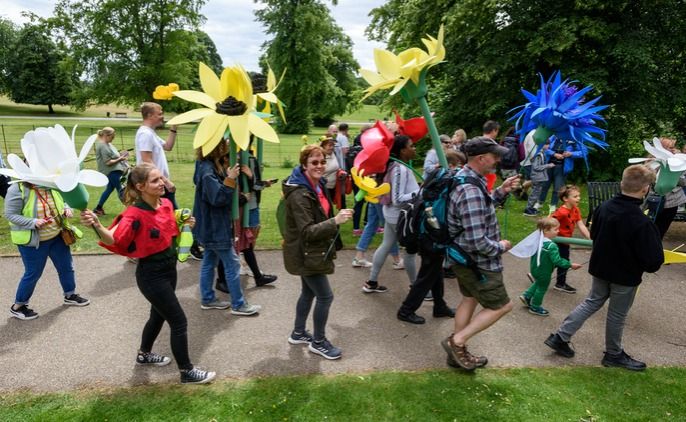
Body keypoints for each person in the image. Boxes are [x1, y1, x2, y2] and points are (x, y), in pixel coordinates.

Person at [80, 163, 215, 384]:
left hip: (170, 270)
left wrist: (185, 222)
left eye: (161, 178)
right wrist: (96, 224)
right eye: (155, 181)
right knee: (179, 321)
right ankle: (187, 372)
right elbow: (113, 238)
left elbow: (166, 230)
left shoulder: (165, 204)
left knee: (157, 316)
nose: (161, 183)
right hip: (151, 276)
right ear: (140, 186)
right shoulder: (134, 214)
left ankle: (144, 354)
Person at [544, 164, 663, 371]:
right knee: (617, 314)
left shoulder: (605, 207)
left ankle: (560, 337)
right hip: (624, 275)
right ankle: (613, 354)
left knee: (592, 301)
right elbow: (653, 261)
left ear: (622, 183)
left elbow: (595, 235)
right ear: (645, 189)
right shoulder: (641, 222)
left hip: (601, 267)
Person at [441, 136, 520, 371]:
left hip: (462, 258)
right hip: (477, 262)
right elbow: (477, 241)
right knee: (501, 306)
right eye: (494, 156)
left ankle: (456, 353)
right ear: (480, 158)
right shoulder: (470, 189)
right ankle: (456, 342)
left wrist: (501, 191)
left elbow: (478, 211)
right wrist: (502, 246)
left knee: (469, 298)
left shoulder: (466, 178)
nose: (497, 160)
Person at [282, 145, 353, 360]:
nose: (320, 166)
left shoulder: (317, 185)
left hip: (312, 251)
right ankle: (319, 342)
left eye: (322, 161)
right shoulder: (300, 195)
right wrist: (335, 221)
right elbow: (307, 232)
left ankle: (298, 332)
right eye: (314, 162)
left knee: (308, 292)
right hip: (306, 252)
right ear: (304, 165)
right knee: (325, 296)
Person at [192, 140, 260, 316]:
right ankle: (238, 304)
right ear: (216, 148)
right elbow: (218, 198)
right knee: (232, 263)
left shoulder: (206, 166)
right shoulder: (207, 171)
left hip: (210, 225)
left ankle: (207, 298)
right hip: (215, 226)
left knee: (209, 261)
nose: (228, 147)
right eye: (224, 144)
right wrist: (230, 179)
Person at [6, 182, 90, 320]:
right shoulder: (17, 189)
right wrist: (33, 222)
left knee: (66, 267)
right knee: (33, 273)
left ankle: (70, 295)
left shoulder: (50, 184)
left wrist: (67, 208)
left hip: (57, 237)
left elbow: (64, 200)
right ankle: (18, 306)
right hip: (33, 242)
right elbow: (10, 215)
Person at [216, 140, 277, 292]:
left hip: (242, 209)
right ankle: (221, 280)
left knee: (246, 243)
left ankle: (257, 276)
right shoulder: (221, 166)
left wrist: (252, 178)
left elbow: (253, 186)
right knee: (227, 246)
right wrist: (243, 196)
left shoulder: (247, 159)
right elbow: (225, 191)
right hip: (233, 211)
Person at [363, 135, 419, 293]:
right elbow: (397, 199)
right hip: (400, 217)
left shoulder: (396, 165)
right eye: (411, 146)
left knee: (386, 245)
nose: (414, 148)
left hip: (393, 215)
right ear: (402, 150)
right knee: (410, 252)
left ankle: (371, 282)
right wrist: (421, 192)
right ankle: (417, 287)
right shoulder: (399, 169)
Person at [519, 217, 581, 316]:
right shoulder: (552, 246)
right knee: (542, 288)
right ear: (546, 231)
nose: (558, 231)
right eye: (555, 229)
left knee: (539, 282)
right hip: (544, 271)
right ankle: (535, 306)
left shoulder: (538, 241)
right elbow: (557, 260)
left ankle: (527, 295)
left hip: (534, 268)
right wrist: (570, 265)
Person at [135, 102, 178, 209]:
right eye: (159, 114)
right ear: (150, 115)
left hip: (159, 182)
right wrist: (165, 181)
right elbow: (147, 161)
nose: (162, 117)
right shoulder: (145, 134)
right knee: (174, 217)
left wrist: (174, 128)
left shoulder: (150, 133)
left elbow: (168, 146)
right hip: (155, 183)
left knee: (172, 217)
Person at [551, 185, 591, 293]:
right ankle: (560, 283)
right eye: (575, 196)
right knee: (564, 261)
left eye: (579, 196)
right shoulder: (561, 212)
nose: (578, 198)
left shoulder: (575, 210)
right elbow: (549, 222)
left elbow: (581, 225)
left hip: (566, 240)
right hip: (558, 240)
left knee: (556, 260)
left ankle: (538, 273)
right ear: (565, 199)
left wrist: (590, 237)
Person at [537, 136, 583, 213]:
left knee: (558, 187)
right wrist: (554, 154)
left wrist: (571, 154)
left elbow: (583, 153)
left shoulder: (574, 140)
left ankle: (553, 205)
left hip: (561, 167)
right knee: (545, 185)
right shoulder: (554, 137)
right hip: (549, 165)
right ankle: (540, 202)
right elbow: (544, 148)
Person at [651, 137, 686, 238]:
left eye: (673, 147)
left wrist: (675, 176)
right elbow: (648, 178)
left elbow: (684, 181)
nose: (673, 150)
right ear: (662, 148)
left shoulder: (679, 161)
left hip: (672, 202)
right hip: (655, 201)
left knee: (661, 230)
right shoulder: (652, 161)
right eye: (670, 147)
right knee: (651, 228)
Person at [93, 127, 128, 216]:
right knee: (121, 189)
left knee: (109, 189)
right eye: (112, 137)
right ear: (106, 135)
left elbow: (114, 155)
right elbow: (108, 162)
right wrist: (120, 158)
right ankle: (130, 209)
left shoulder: (108, 144)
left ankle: (98, 208)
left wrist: (121, 154)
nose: (113, 138)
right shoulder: (103, 146)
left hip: (115, 171)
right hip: (111, 171)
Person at [523, 142, 554, 216]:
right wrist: (548, 166)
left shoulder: (542, 154)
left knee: (537, 193)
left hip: (540, 177)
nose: (548, 146)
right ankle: (528, 209)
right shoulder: (539, 155)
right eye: (546, 144)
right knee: (534, 193)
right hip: (537, 177)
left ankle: (531, 207)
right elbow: (536, 167)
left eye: (548, 144)